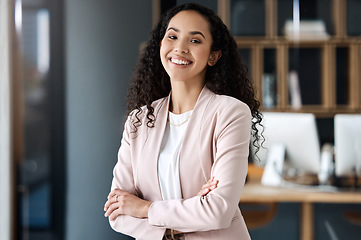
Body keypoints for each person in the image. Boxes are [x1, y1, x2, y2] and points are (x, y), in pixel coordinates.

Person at [104, 3, 262, 240]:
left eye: (195, 41)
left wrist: (144, 208)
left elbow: (218, 212)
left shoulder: (230, 113)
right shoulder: (138, 121)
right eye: (173, 36)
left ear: (213, 55)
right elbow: (118, 213)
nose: (180, 48)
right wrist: (193, 210)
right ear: (161, 46)